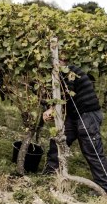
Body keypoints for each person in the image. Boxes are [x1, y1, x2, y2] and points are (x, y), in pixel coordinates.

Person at [43, 58, 107, 192]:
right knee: (58, 140)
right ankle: (50, 175)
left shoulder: (70, 71)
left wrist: (52, 110)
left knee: (92, 150)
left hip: (88, 114)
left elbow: (67, 95)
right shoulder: (56, 75)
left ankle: (104, 187)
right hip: (73, 116)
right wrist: (51, 108)